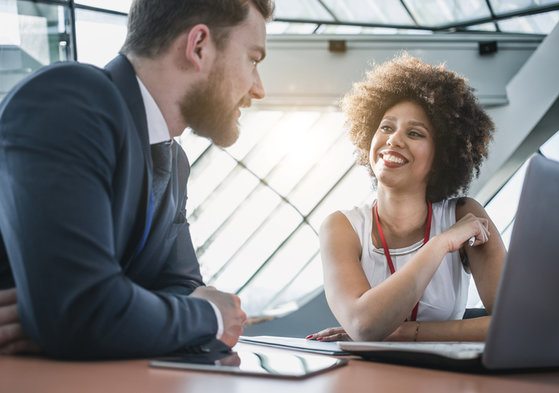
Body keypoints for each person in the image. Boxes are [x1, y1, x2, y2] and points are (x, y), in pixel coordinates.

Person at [0, 0, 274, 359]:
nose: (258, 88)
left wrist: (105, 309)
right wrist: (210, 315)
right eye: (253, 60)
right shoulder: (68, 102)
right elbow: (80, 313)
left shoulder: (174, 162)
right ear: (199, 46)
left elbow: (182, 285)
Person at [307, 54, 506, 342]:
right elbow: (364, 325)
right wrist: (441, 244)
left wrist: (403, 332)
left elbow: (514, 324)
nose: (394, 139)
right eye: (386, 127)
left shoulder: (464, 216)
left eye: (414, 133)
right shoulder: (341, 227)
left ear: (442, 156)